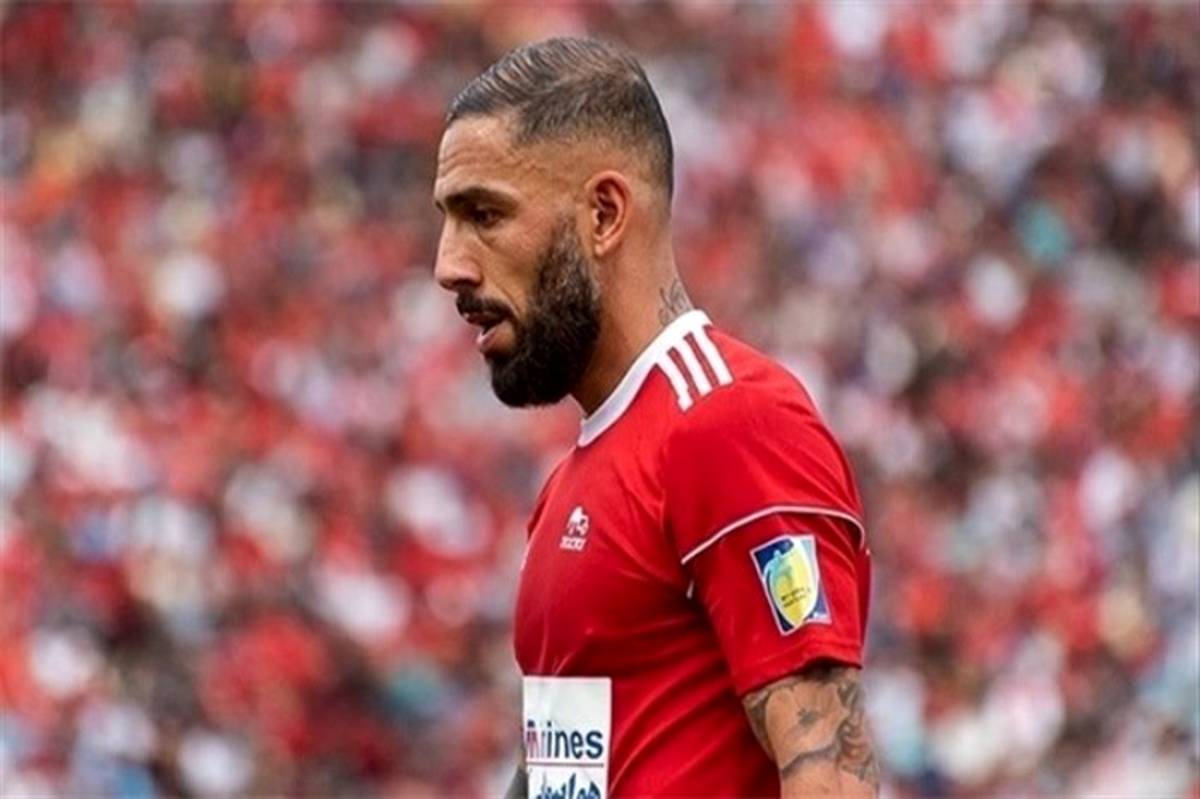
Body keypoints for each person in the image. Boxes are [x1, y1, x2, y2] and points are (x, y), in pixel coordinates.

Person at [432, 37, 878, 799]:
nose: (449, 264)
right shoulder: (571, 482)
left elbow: (829, 772)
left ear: (604, 213)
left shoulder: (730, 421)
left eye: (485, 214)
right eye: (448, 219)